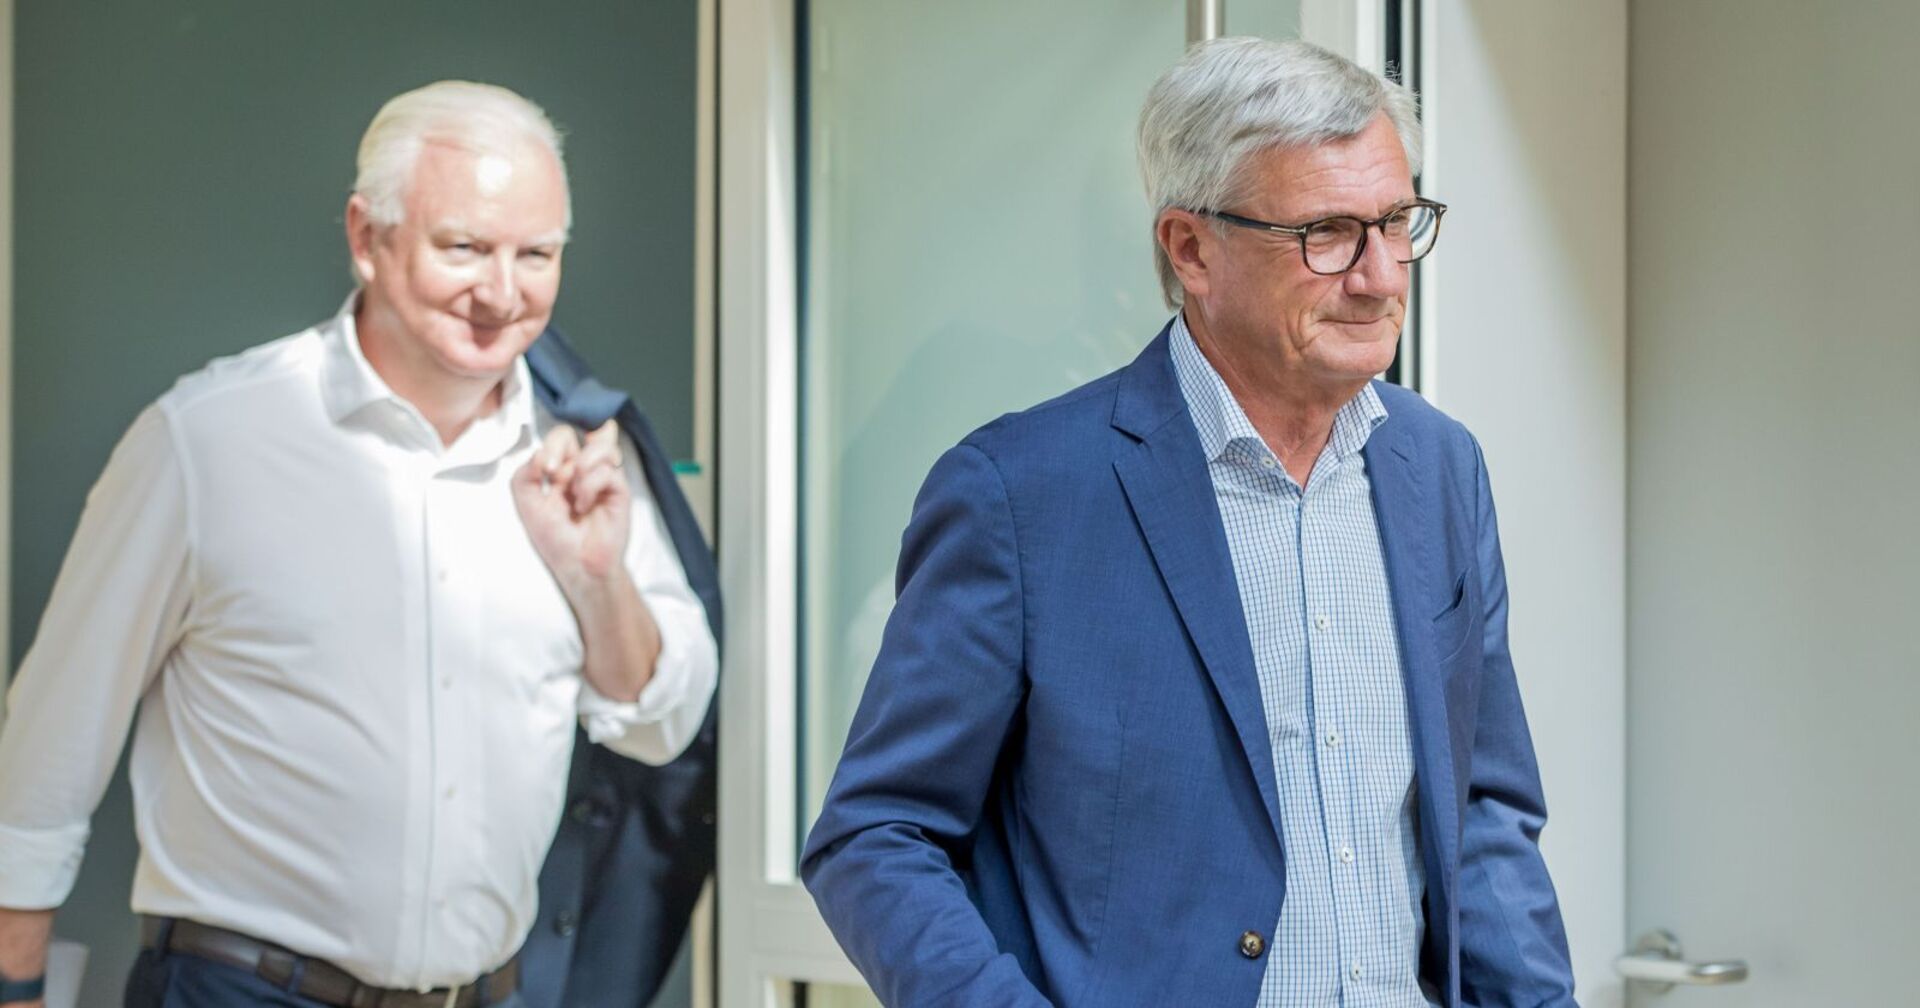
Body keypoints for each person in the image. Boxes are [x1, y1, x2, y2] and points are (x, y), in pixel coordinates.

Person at [801, 38, 1578, 1008]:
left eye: (1396, 221)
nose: (1381, 277)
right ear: (1190, 248)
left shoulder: (1439, 467)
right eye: (1328, 234)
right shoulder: (1022, 494)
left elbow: (1482, 814)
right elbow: (876, 835)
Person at [0, 81, 718, 1008]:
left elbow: (664, 725)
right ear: (365, 236)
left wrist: (597, 580)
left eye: (535, 254)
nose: (503, 294)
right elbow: (51, 745)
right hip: (236, 993)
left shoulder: (579, 461)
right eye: (464, 248)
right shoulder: (208, 438)